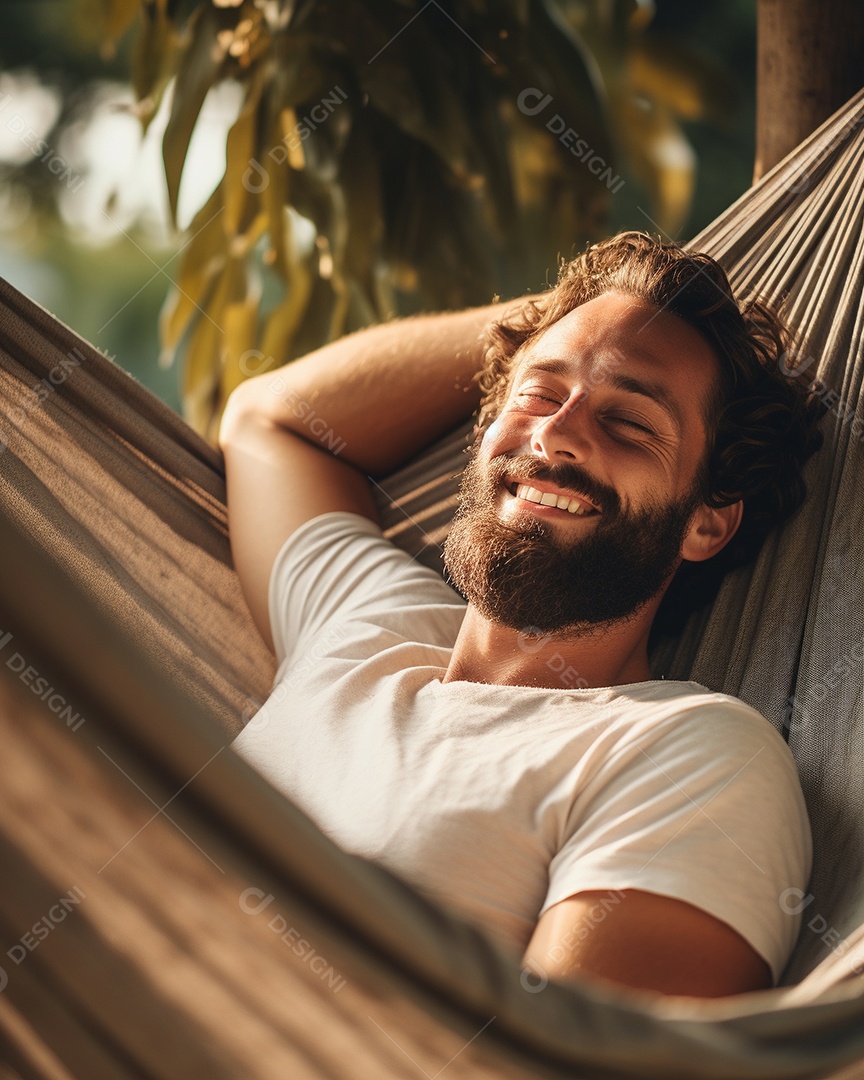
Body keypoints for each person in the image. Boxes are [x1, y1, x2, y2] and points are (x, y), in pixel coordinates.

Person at [218, 231, 824, 999]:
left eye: (630, 422)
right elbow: (268, 419)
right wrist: (567, 315)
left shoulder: (692, 755)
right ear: (485, 428)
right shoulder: (366, 627)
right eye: (537, 394)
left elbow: (563, 1061)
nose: (555, 433)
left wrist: (581, 331)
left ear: (708, 521)